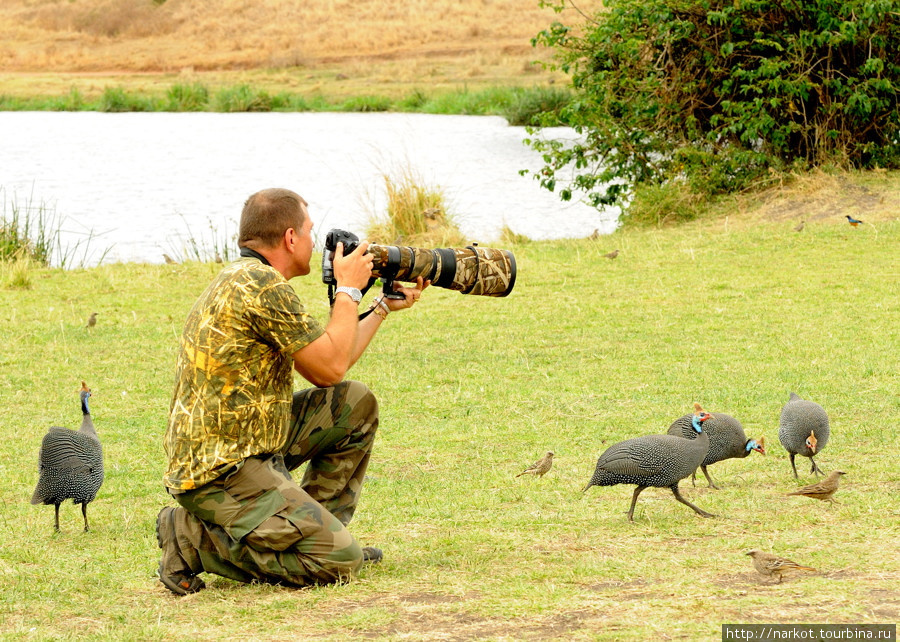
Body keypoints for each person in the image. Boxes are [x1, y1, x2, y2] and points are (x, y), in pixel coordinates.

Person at [156, 187, 428, 595]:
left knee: (353, 404)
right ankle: (190, 538)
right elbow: (329, 367)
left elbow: (330, 364)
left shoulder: (249, 278)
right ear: (289, 238)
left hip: (248, 441)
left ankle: (319, 531)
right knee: (340, 562)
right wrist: (348, 291)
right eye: (310, 232)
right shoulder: (260, 286)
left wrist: (382, 307)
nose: (315, 243)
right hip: (221, 471)